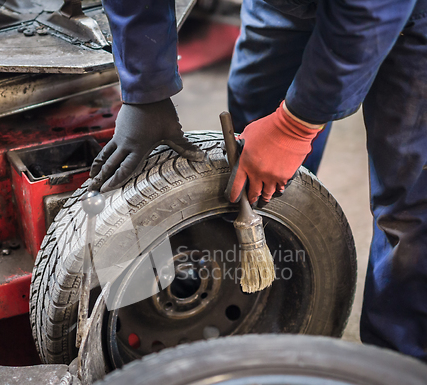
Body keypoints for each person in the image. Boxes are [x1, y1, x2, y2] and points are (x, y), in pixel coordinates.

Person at [90, 0, 427, 361]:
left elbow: (373, 8)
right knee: (251, 171)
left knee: (410, 207)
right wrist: (145, 90)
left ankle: (403, 372)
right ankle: (274, 314)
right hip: (283, 7)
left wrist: (295, 126)